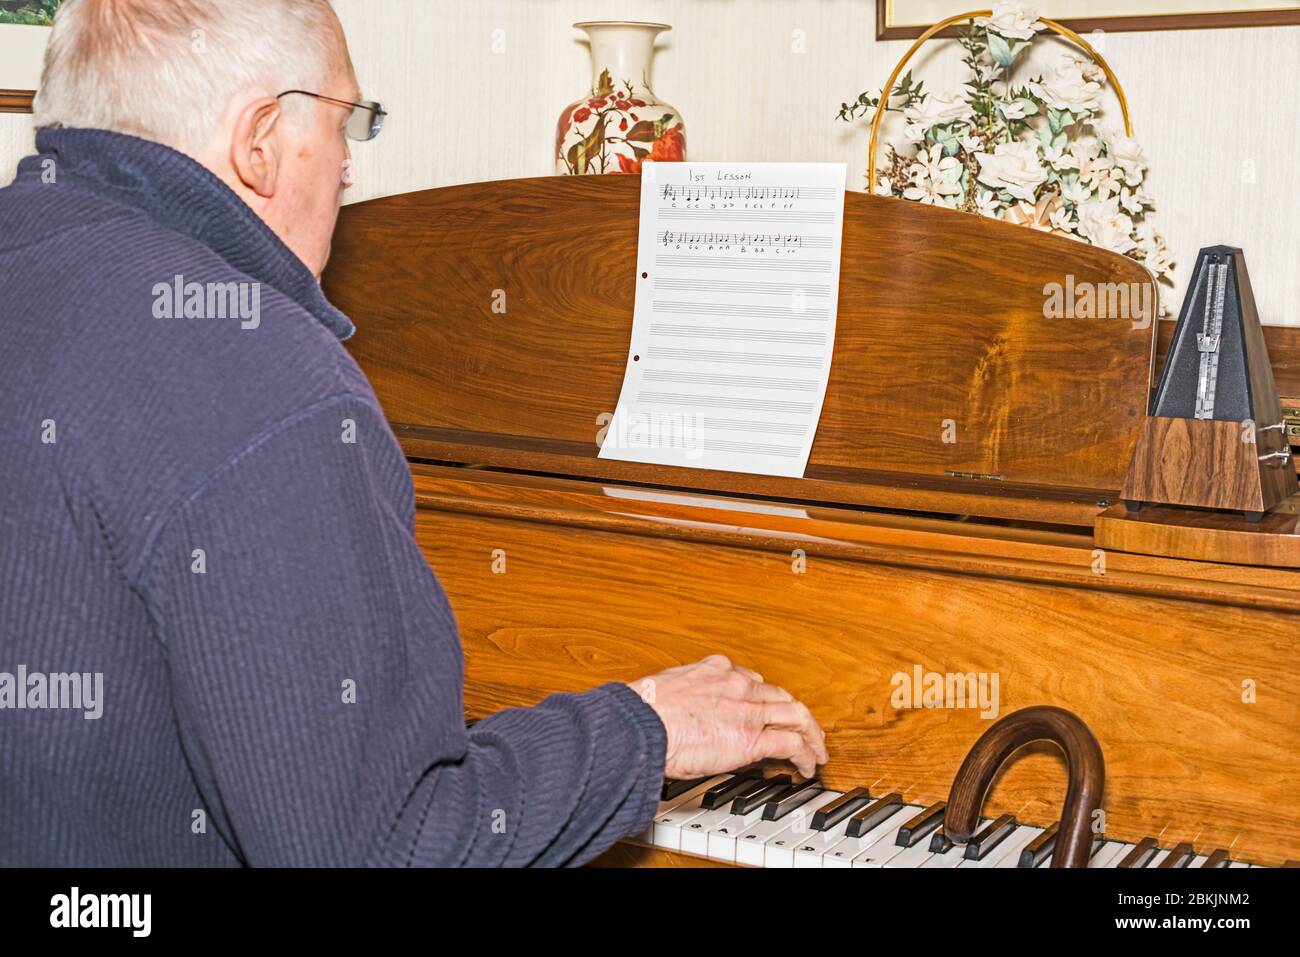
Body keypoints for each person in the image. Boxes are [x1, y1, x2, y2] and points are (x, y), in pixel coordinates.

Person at [0, 0, 826, 866]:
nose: (351, 169)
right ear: (259, 141)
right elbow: (388, 845)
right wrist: (646, 727)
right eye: (345, 121)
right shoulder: (261, 373)